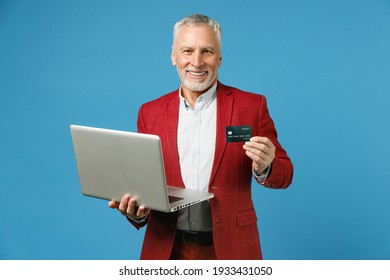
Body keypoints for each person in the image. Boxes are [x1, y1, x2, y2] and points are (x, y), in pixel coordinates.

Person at [108, 14, 293, 260]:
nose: (196, 62)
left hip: (232, 250)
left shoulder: (251, 106)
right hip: (166, 249)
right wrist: (136, 211)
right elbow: (145, 187)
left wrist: (266, 167)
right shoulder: (149, 113)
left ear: (219, 58)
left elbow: (285, 173)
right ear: (174, 56)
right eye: (187, 51)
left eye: (206, 51)